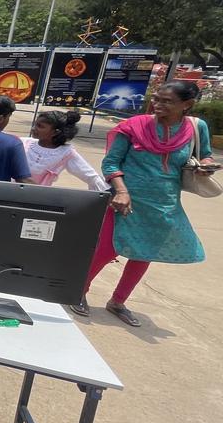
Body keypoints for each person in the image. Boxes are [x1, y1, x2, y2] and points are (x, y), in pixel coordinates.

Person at [73, 81, 215, 326]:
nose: (158, 104)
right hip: (124, 198)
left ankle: (117, 302)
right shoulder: (133, 126)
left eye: (167, 101)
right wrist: (121, 191)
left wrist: (206, 165)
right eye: (157, 99)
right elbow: (111, 163)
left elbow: (205, 154)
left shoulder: (196, 127)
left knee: (143, 254)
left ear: (187, 105)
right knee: (107, 249)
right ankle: (78, 292)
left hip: (164, 202)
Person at [22, 110, 108, 191]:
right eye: (35, 124)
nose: (33, 128)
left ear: (55, 132)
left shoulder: (65, 153)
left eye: (40, 126)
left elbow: (90, 176)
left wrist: (115, 193)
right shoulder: (22, 143)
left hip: (36, 198)